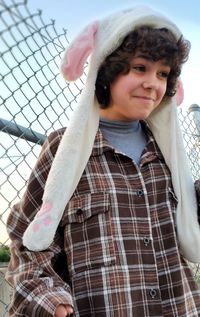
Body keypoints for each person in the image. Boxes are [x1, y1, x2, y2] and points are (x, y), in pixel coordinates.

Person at [6, 5, 200, 317]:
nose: (153, 83)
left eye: (163, 73)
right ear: (107, 71)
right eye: (140, 68)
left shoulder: (169, 155)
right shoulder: (64, 150)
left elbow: (191, 223)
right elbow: (28, 241)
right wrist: (52, 300)